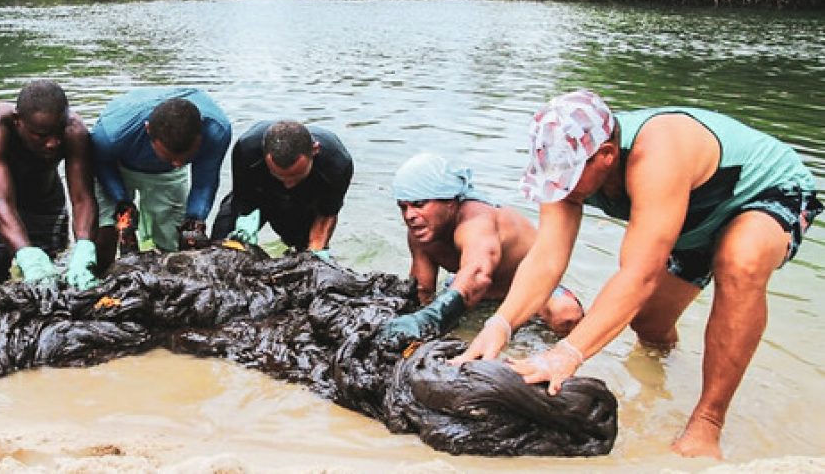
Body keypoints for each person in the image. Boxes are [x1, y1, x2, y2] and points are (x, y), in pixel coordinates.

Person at [452, 90, 822, 459]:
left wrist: (567, 354)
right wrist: (499, 325)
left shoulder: (656, 154)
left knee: (740, 261)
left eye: (566, 177)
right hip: (689, 220)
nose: (558, 187)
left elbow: (638, 276)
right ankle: (663, 379)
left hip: (760, 194)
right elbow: (547, 258)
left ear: (606, 157)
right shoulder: (569, 170)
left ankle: (708, 420)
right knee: (648, 325)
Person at [379, 153, 583, 342]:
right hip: (465, 288)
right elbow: (422, 290)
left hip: (522, 288)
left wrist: (432, 316)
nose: (409, 215)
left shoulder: (476, 220)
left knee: (566, 315)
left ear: (449, 200)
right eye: (403, 207)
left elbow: (477, 274)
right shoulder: (421, 230)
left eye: (419, 204)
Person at [0, 79, 99, 292]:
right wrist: (24, 252)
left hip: (46, 196)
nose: (53, 143)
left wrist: (85, 244)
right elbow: (0, 200)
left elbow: (82, 197)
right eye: (40, 135)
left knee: (52, 268)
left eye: (58, 133)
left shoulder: (75, 131)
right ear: (17, 121)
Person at [90, 88, 231, 269]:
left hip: (167, 175)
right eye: (171, 156)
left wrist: (195, 219)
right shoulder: (110, 135)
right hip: (117, 165)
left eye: (186, 158)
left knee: (176, 240)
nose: (179, 163)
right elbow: (102, 165)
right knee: (106, 232)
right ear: (148, 130)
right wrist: (121, 201)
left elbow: (205, 182)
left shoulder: (217, 131)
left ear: (200, 135)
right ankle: (102, 277)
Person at [210, 120, 353, 262]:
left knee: (306, 254)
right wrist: (244, 224)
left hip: (306, 197)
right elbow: (242, 198)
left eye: (295, 175)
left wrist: (316, 251)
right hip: (259, 191)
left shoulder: (337, 163)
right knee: (221, 247)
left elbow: (326, 214)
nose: (288, 184)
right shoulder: (247, 149)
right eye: (279, 175)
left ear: (315, 150)